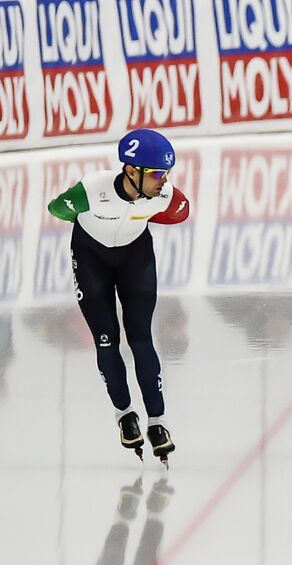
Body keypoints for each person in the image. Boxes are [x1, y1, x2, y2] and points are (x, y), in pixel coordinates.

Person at [47, 129, 190, 463]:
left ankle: (158, 421)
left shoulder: (163, 195)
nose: (163, 181)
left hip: (134, 259)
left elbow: (181, 211)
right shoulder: (93, 188)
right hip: (91, 258)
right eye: (157, 174)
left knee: (141, 338)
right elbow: (57, 208)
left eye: (166, 173)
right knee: (107, 339)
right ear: (131, 171)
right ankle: (125, 414)